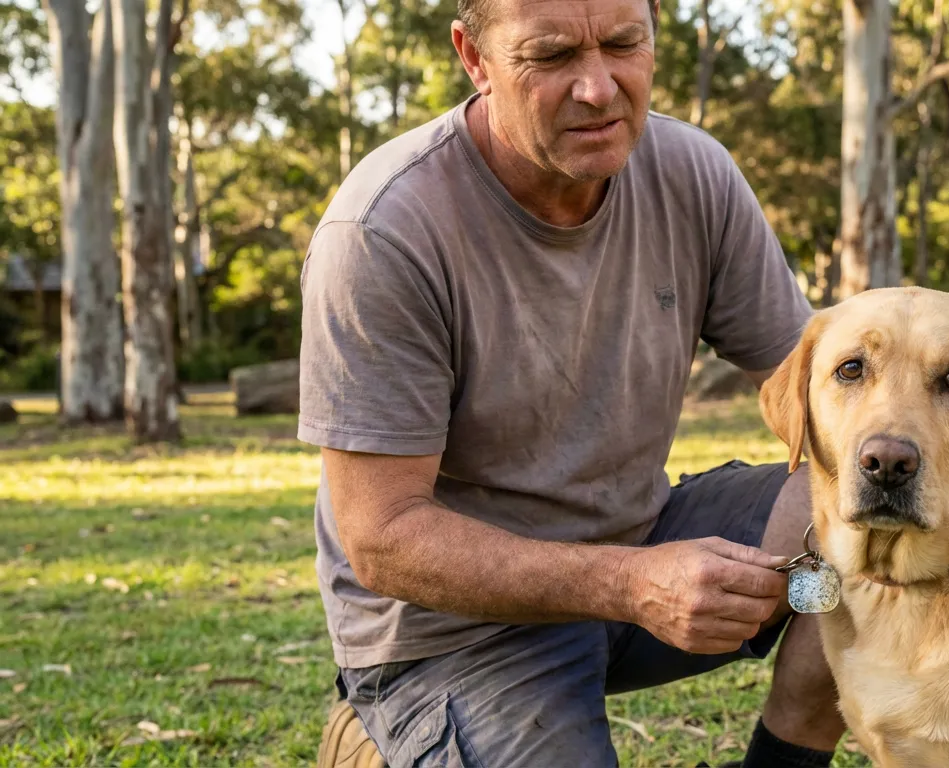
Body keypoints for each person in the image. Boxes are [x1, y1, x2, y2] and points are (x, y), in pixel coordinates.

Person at [298, 0, 846, 764]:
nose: (598, 89)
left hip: (643, 552)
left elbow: (824, 393)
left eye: (624, 44)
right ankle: (384, 734)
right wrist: (627, 584)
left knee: (863, 517)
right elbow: (381, 540)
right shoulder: (385, 231)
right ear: (474, 58)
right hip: (457, 634)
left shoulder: (693, 172)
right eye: (551, 57)